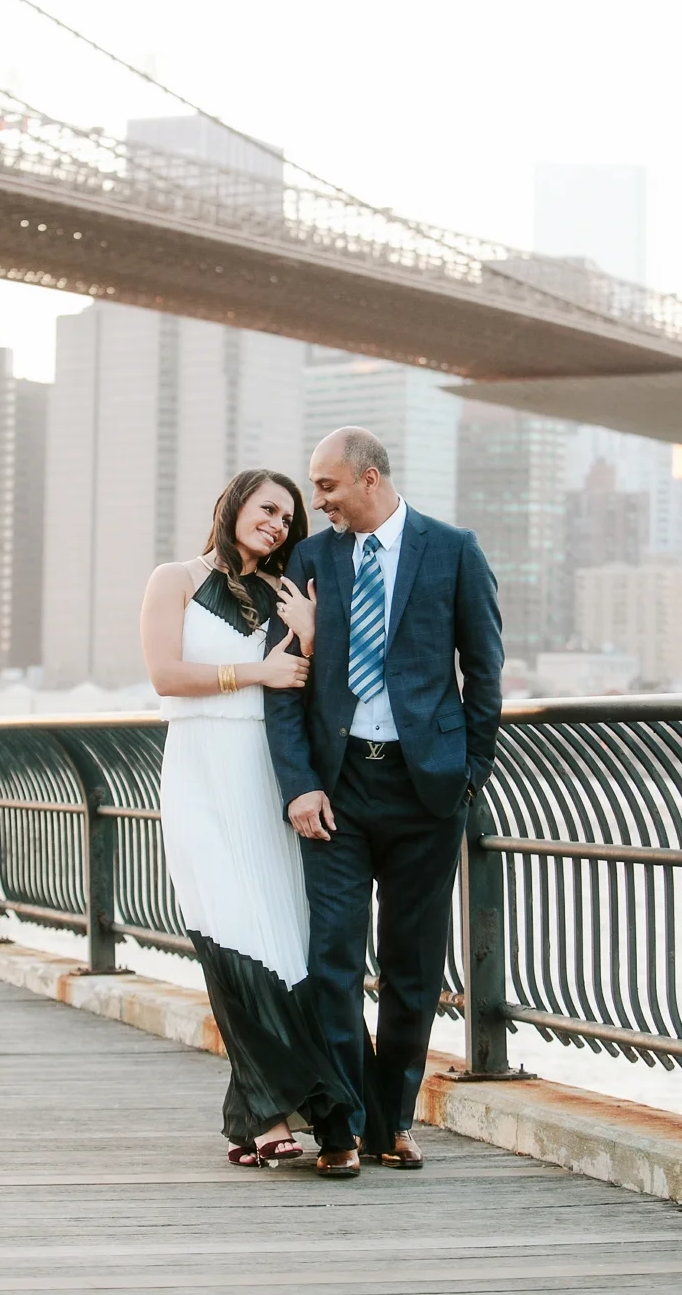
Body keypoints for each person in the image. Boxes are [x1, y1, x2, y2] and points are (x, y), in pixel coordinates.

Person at [264, 428, 504, 1177]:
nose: (317, 502)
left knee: (410, 968)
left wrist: (468, 776)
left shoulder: (453, 549)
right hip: (336, 790)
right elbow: (284, 685)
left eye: (327, 486)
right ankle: (341, 1124)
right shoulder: (310, 561)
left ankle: (393, 1122)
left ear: (368, 478)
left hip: (426, 790)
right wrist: (300, 784)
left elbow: (485, 671)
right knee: (331, 960)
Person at [140, 468, 361, 1170]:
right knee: (229, 934)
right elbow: (166, 676)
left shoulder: (285, 594)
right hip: (200, 771)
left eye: (286, 518)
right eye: (266, 508)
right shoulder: (173, 579)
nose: (275, 523)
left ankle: (255, 1114)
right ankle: (288, 1111)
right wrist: (255, 673)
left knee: (279, 942)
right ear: (234, 504)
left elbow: (314, 686)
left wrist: (314, 636)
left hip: (265, 774)